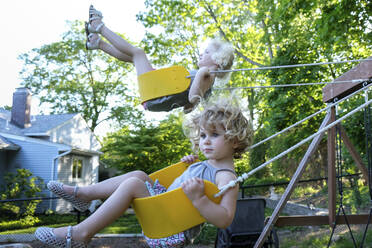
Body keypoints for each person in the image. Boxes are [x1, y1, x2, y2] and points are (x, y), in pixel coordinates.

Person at [34, 97, 253, 248]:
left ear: (234, 140)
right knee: (138, 175)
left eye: (213, 135)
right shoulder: (208, 165)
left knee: (133, 185)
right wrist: (188, 167)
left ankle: (81, 233)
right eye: (203, 135)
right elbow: (183, 185)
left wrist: (199, 199)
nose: (205, 141)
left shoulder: (227, 177)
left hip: (171, 228)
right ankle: (83, 195)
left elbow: (224, 219)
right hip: (164, 209)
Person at [85, 5, 235, 113]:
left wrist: (200, 77)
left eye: (207, 52)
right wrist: (189, 103)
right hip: (157, 96)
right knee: (134, 58)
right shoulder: (209, 84)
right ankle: (97, 43)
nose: (202, 54)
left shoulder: (205, 74)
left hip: (156, 95)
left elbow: (193, 97)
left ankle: (98, 26)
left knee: (138, 53)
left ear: (217, 59)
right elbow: (189, 106)